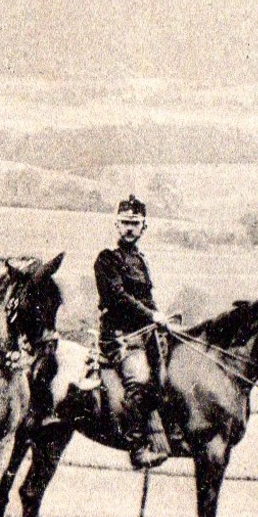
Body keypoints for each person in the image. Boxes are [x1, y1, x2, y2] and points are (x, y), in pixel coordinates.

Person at [95, 195, 171, 470]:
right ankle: (137, 447)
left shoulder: (141, 260)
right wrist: (152, 316)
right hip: (119, 336)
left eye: (135, 224)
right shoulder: (106, 259)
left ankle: (162, 436)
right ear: (117, 225)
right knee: (138, 380)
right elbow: (118, 297)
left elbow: (148, 299)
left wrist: (162, 320)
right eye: (125, 223)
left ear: (143, 228)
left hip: (145, 334)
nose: (129, 228)